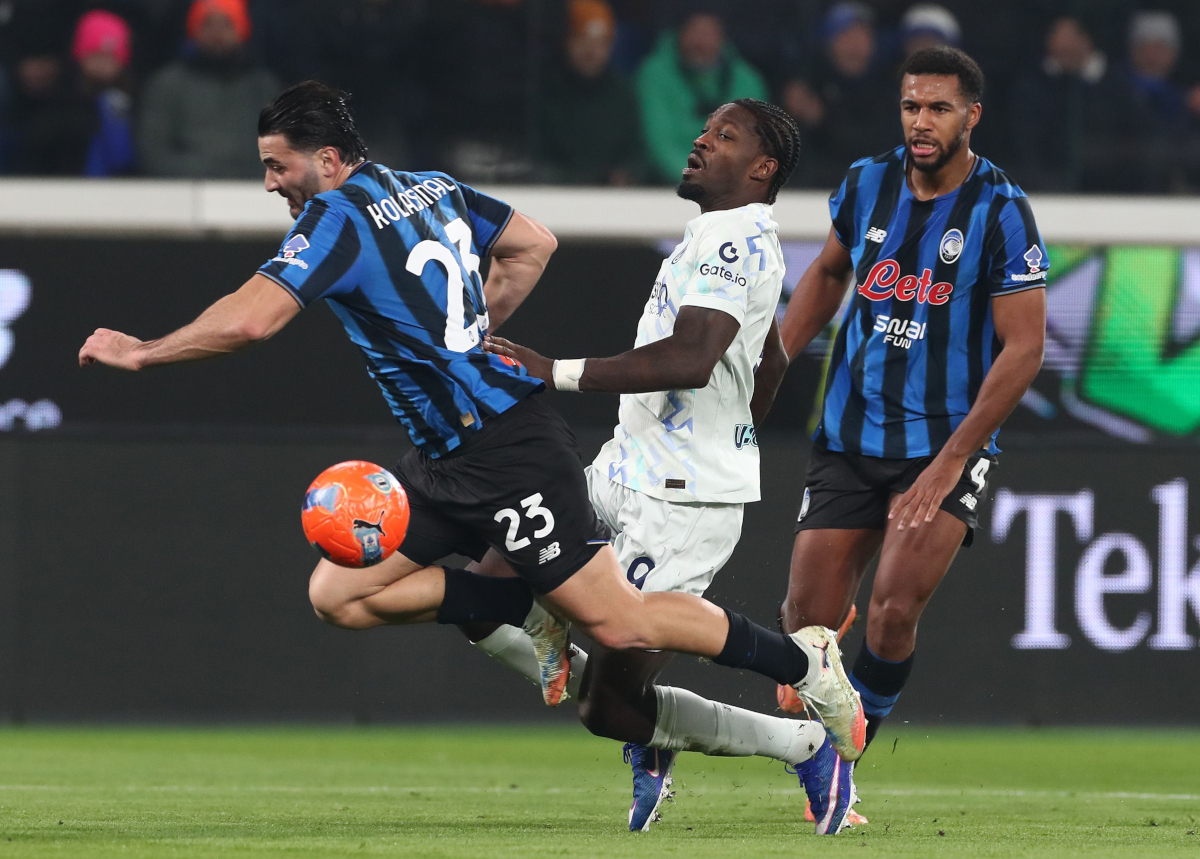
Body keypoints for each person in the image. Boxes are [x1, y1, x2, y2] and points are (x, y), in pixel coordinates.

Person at [78, 81, 866, 805]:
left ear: (325, 159)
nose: (271, 185)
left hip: (508, 449)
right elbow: (534, 242)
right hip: (447, 457)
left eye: (277, 167)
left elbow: (251, 319)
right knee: (339, 594)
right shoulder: (430, 187)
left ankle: (802, 663)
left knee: (620, 625)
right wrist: (476, 330)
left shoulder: (338, 216)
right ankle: (520, 600)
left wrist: (146, 351)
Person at [477, 100, 860, 835]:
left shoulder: (735, 240)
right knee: (489, 587)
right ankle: (569, 636)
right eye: (705, 129)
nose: (700, 139)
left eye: (724, 136)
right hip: (623, 468)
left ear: (761, 167)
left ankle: (804, 731)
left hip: (680, 503)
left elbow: (689, 359)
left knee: (612, 709)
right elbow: (769, 360)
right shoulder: (718, 235)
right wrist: (732, 425)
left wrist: (551, 370)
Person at [776, 46, 1047, 831]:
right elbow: (828, 274)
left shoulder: (1001, 210)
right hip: (850, 433)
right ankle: (824, 735)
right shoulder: (866, 184)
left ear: (972, 116)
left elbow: (1024, 349)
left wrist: (950, 464)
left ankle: (839, 775)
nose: (920, 122)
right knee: (803, 627)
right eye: (909, 106)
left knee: (893, 607)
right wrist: (773, 365)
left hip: (945, 446)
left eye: (937, 108)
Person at [139, 0, 278, 178]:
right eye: (208, 24)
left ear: (241, 29)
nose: (217, 33)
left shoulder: (263, 88)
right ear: (194, 30)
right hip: (180, 191)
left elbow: (279, 151)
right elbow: (154, 151)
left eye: (226, 24)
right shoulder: (167, 85)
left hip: (251, 191)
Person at [635, 12, 768, 184]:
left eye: (709, 34)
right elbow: (659, 144)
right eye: (694, 32)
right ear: (679, 35)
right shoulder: (654, 76)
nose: (700, 42)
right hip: (665, 187)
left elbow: (751, 146)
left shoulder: (747, 81)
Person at [781, 2, 896, 189]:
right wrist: (790, 112)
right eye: (845, 34)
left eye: (862, 34)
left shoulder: (887, 90)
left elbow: (878, 146)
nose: (854, 43)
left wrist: (823, 119)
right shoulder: (812, 83)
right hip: (810, 195)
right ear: (829, 42)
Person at [538, 0, 646, 185]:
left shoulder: (622, 95)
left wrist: (627, 174)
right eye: (581, 39)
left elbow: (637, 156)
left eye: (600, 42)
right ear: (567, 41)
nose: (591, 50)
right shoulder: (546, 93)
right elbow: (539, 161)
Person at [72, 9, 136, 177]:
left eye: (109, 58)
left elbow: (122, 158)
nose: (102, 65)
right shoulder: (65, 101)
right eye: (95, 56)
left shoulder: (127, 103)